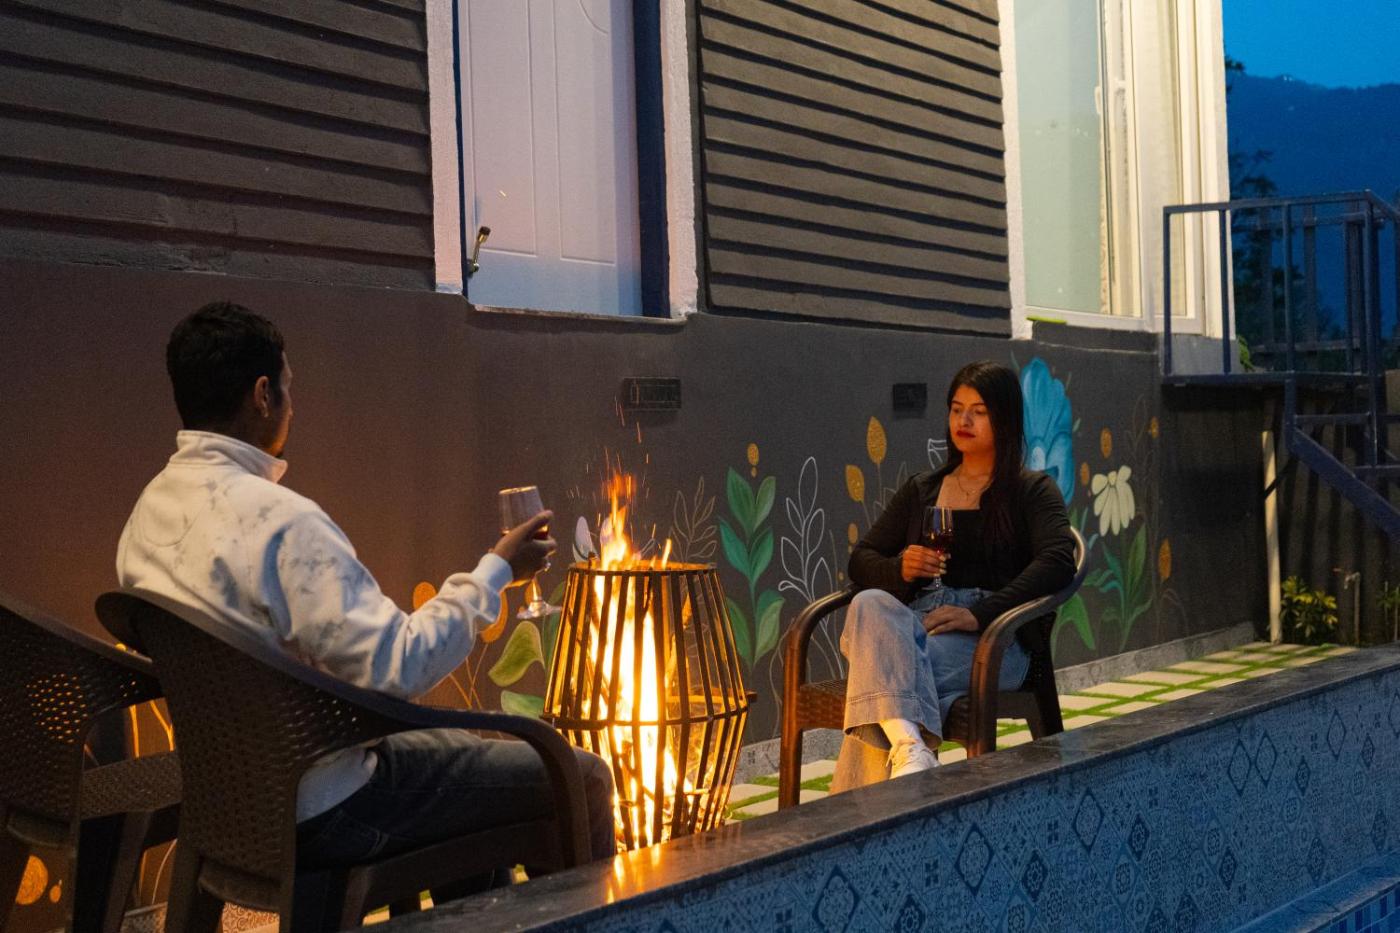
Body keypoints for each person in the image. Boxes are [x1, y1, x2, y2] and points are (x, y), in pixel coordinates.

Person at [116, 301, 615, 882]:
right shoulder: (281, 523)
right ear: (262, 395)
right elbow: (398, 667)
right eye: (288, 389)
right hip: (328, 806)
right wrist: (497, 571)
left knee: (458, 756)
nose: (293, 407)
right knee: (580, 777)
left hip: (229, 801)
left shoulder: (147, 513)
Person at [832, 360, 1076, 791]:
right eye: (957, 409)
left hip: (994, 640)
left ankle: (879, 793)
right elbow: (861, 559)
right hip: (918, 626)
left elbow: (1058, 560)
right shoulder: (922, 489)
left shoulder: (1031, 490)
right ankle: (912, 749)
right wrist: (899, 568)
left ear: (1004, 419)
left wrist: (980, 614)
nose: (964, 421)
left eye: (978, 412)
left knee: (878, 678)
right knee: (869, 604)